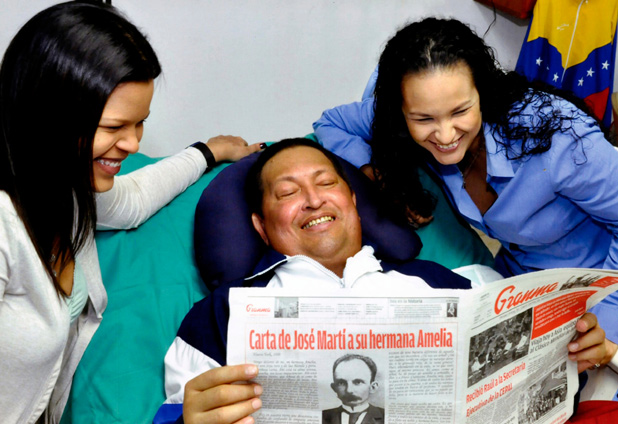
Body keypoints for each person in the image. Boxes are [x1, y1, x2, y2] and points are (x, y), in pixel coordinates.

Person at [157, 138, 606, 424]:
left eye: (325, 183)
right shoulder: (222, 314)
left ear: (353, 201)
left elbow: (532, 392)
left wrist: (570, 354)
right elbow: (178, 412)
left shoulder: (449, 284)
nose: (313, 200)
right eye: (288, 192)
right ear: (260, 225)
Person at [312, 17, 618, 376]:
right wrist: (375, 173)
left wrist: (603, 320)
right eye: (423, 119)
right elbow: (330, 123)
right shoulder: (400, 114)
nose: (445, 135)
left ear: (483, 92)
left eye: (460, 111)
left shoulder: (563, 138)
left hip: (603, 281)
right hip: (521, 281)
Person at [0, 2, 261, 422]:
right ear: (48, 116)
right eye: (113, 127)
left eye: (140, 123)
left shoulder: (63, 187)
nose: (134, 144)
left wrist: (206, 152)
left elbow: (135, 199)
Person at [322, 354, 385, 424]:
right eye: (341, 383)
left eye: (358, 382)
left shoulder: (385, 416)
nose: (349, 390)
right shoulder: (322, 416)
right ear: (334, 388)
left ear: (373, 387)